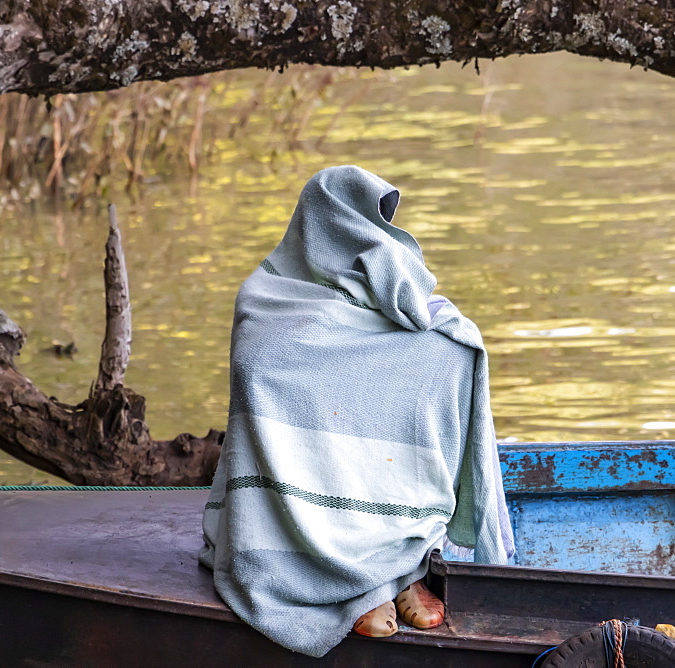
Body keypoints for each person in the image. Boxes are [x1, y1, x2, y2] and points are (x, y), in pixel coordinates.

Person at [199, 165, 515, 658]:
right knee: (276, 366)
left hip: (382, 486)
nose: (377, 234)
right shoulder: (266, 295)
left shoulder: (383, 267)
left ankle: (400, 563)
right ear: (325, 223)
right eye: (368, 219)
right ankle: (368, 579)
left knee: (454, 348)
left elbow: (416, 306)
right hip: (281, 513)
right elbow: (258, 367)